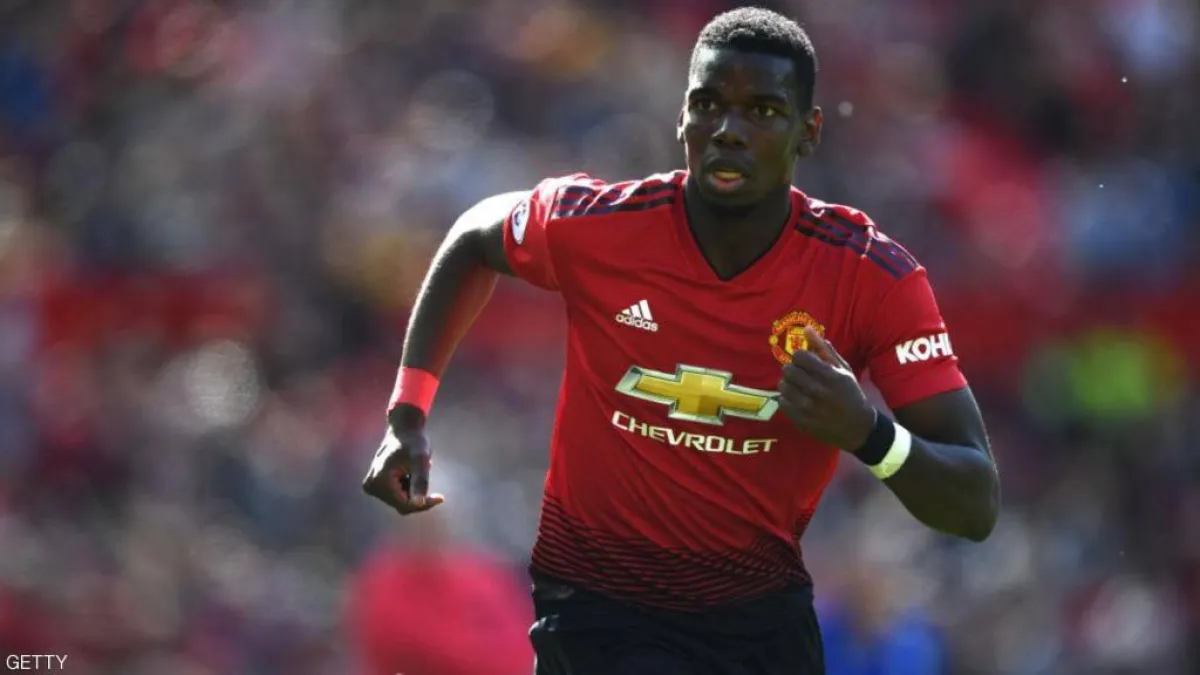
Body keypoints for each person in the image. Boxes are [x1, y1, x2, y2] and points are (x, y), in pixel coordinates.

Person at [362, 6, 1000, 674]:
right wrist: (407, 416)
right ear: (682, 118)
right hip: (597, 614)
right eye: (708, 105)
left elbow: (975, 503)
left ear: (808, 131)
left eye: (762, 111)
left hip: (758, 627)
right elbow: (473, 237)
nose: (728, 130)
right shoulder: (601, 227)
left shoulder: (870, 276)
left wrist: (869, 434)